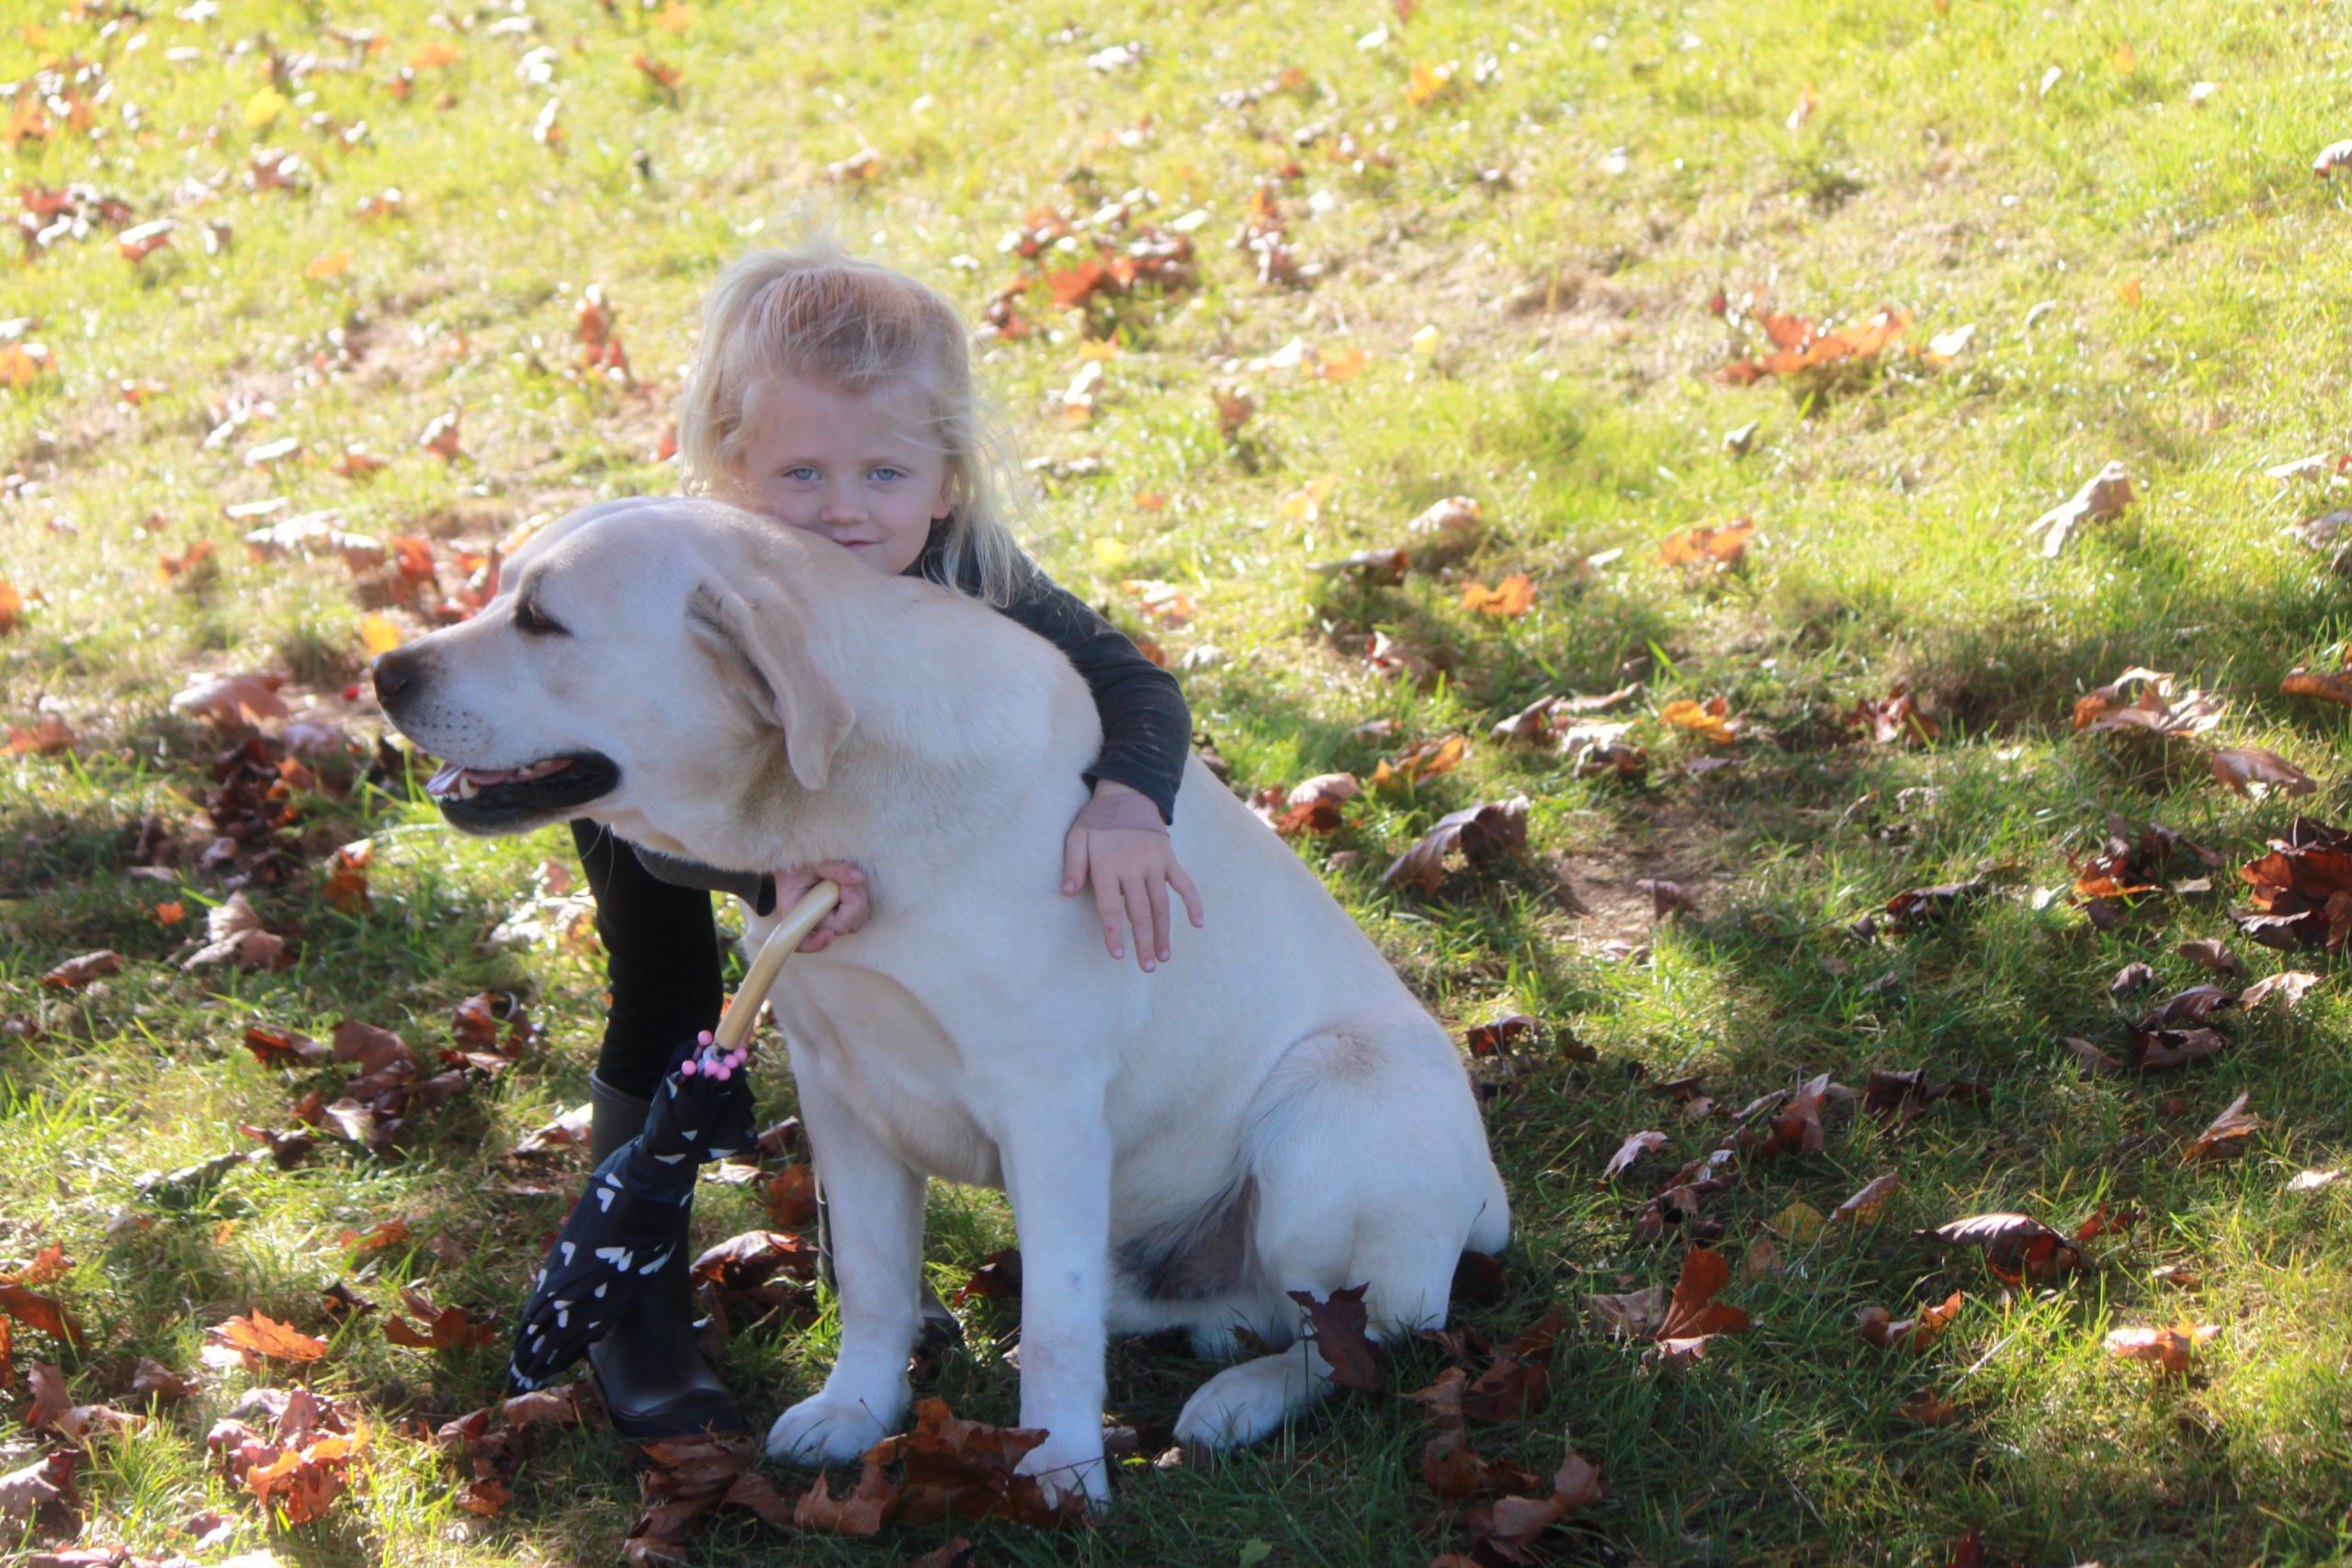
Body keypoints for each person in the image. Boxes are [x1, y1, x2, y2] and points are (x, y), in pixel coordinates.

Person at [570, 237, 1205, 1438]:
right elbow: (657, 823)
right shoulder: (690, 593)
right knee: (670, 999)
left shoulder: (968, 573)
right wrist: (766, 871)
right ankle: (631, 1296)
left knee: (858, 996)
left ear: (946, 480)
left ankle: (876, 1285)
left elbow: (1137, 686)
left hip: (833, 839)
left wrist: (1129, 800)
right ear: (732, 466)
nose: (844, 510)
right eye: (800, 473)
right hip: (656, 813)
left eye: (883, 474)